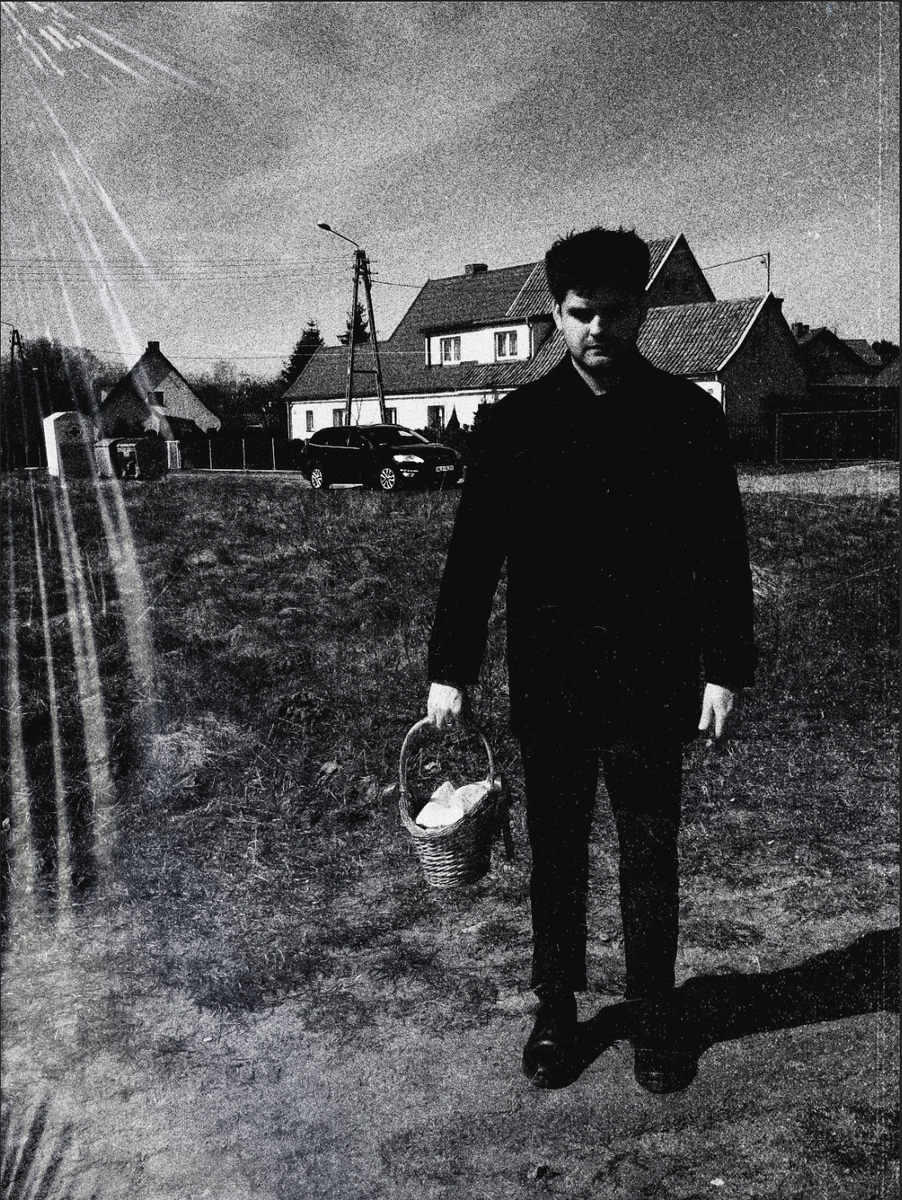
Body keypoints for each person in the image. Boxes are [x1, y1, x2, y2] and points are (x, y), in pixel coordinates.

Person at [426, 226, 756, 1093]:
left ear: (641, 310)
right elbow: (473, 557)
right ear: (554, 314)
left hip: (653, 678)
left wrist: (725, 668)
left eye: (613, 311)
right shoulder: (515, 425)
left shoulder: (687, 417)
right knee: (558, 856)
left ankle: (654, 1014)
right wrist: (450, 670)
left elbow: (721, 553)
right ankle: (555, 1009)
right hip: (555, 684)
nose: (597, 329)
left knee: (650, 854)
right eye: (580, 313)